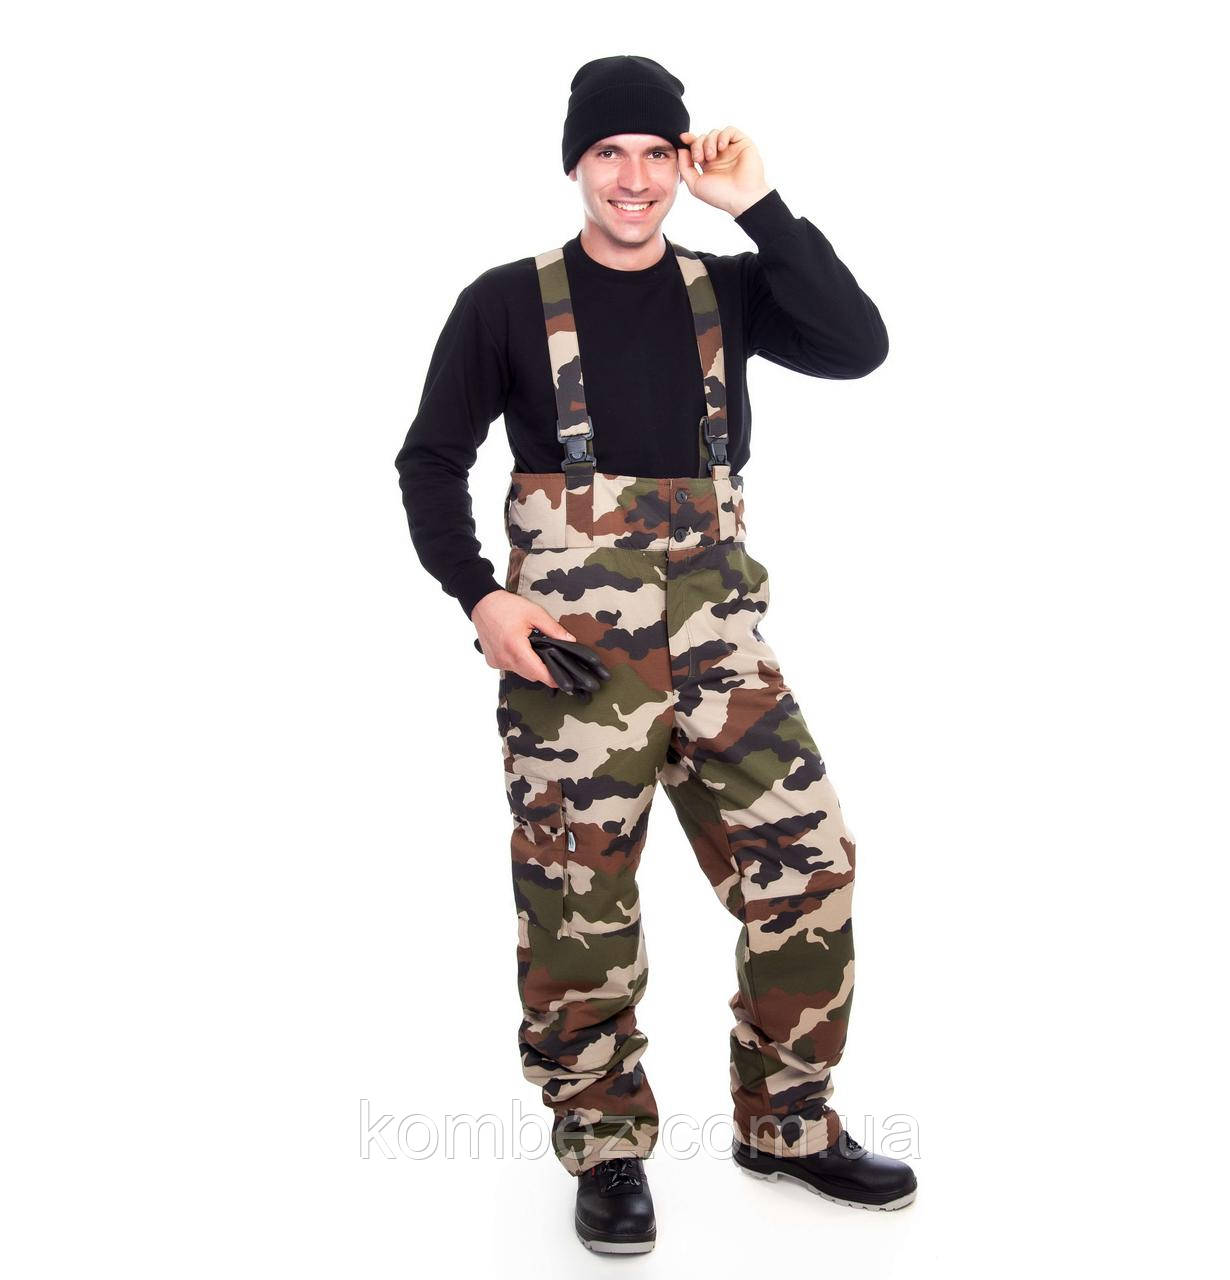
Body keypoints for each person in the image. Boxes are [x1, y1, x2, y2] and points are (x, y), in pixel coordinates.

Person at [395, 53, 916, 1254]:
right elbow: (428, 459)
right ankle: (604, 1146)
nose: (631, 179)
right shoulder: (503, 302)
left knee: (811, 861)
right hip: (570, 657)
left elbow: (859, 345)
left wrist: (760, 205)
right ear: (574, 164)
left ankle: (784, 1124)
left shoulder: (728, 289)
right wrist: (480, 597)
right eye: (607, 154)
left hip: (721, 641)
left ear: (681, 163)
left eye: (653, 154)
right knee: (577, 895)